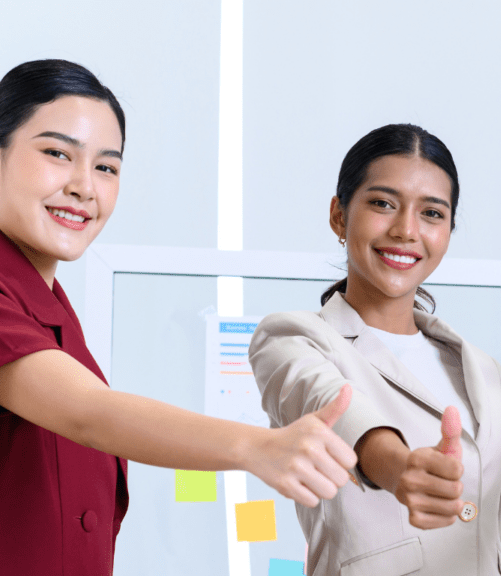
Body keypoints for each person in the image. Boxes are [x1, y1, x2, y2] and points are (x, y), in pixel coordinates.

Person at [0, 60, 358, 576]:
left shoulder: (51, 310)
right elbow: (89, 414)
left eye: (107, 167)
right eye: (57, 153)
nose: (85, 187)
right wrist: (258, 447)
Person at [248, 123, 501, 576]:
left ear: (449, 230)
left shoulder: (480, 369)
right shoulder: (292, 340)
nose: (406, 230)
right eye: (382, 203)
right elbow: (333, 408)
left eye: (432, 213)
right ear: (339, 215)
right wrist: (400, 468)